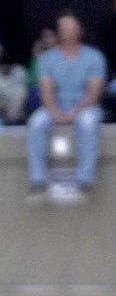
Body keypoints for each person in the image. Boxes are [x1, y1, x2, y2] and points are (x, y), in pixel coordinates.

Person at [27, 11, 108, 199]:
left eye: (72, 29)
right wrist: (55, 113)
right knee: (36, 123)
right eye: (64, 30)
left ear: (80, 31)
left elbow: (94, 92)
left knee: (88, 123)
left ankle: (85, 179)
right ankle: (37, 179)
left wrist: (74, 112)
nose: (68, 34)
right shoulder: (46, 59)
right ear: (58, 33)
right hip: (55, 105)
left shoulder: (94, 57)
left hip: (85, 106)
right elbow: (46, 90)